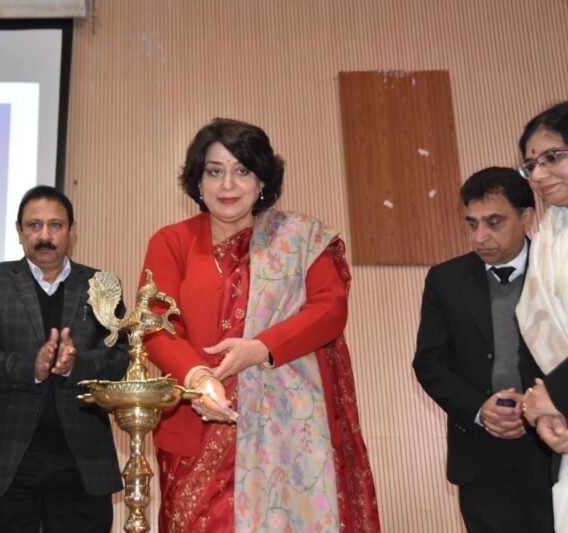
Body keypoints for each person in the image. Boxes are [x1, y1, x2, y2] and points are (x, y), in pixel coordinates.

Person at [139, 118, 379, 532]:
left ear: (263, 180)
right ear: (198, 180)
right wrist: (198, 378)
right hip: (196, 421)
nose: (227, 184)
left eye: (242, 170)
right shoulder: (172, 242)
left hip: (289, 435)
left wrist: (262, 348)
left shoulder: (300, 239)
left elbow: (330, 309)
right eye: (214, 171)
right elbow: (156, 326)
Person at [0, 185, 129, 533]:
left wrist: (75, 365)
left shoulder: (101, 285)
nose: (44, 236)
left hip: (81, 461)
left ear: (72, 230)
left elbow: (119, 362)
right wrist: (32, 368)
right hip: (8, 460)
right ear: (19, 231)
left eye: (55, 225)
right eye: (34, 225)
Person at [413, 166, 554, 531]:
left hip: (554, 445)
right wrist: (479, 409)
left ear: (526, 217)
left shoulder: (557, 269)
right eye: (472, 224)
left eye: (494, 222)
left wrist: (546, 401)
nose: (480, 237)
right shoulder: (445, 279)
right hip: (480, 454)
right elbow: (429, 363)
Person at [515, 100, 568, 531]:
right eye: (531, 164)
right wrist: (553, 411)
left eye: (553, 157)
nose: (538, 174)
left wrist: (557, 394)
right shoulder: (552, 233)